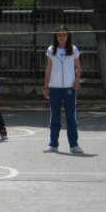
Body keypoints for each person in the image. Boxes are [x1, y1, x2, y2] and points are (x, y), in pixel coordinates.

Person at [43, 25, 83, 154]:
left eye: (64, 34)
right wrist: (46, 86)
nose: (61, 37)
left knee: (71, 116)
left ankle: (74, 145)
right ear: (55, 36)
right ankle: (53, 144)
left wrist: (77, 80)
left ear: (68, 36)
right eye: (59, 34)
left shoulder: (73, 49)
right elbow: (48, 69)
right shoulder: (51, 50)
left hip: (69, 87)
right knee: (55, 116)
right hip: (54, 87)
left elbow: (78, 67)